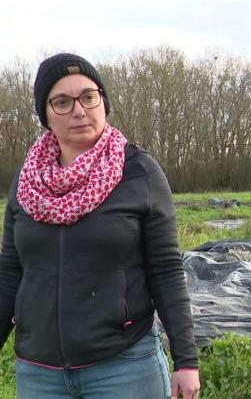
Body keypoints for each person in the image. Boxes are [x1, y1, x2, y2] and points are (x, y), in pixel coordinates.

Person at [0, 53, 201, 399]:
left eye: (88, 97)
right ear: (45, 115)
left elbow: (166, 268)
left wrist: (187, 360)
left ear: (102, 102)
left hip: (124, 367)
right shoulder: (25, 181)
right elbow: (10, 271)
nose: (79, 110)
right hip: (40, 373)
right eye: (62, 101)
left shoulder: (138, 171)